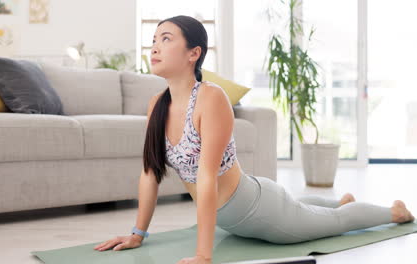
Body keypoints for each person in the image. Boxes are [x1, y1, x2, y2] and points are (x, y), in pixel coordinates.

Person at [93, 15, 415, 264]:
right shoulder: (156, 105)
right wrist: (138, 234)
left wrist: (204, 256)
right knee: (305, 208)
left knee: (336, 222)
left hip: (260, 212)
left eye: (166, 38)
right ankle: (338, 200)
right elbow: (150, 173)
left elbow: (206, 177)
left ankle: (394, 211)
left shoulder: (210, 98)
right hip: (243, 208)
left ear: (194, 53)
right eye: (154, 40)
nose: (155, 47)